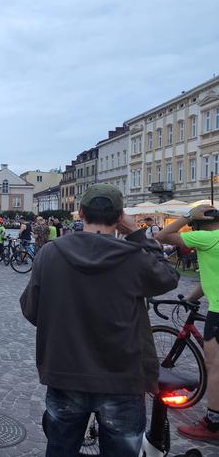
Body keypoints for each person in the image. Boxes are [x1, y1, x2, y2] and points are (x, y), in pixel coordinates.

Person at [20, 184, 179, 456]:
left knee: (59, 450)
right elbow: (168, 276)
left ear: (80, 213)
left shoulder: (50, 253)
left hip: (65, 372)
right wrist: (139, 235)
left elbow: (31, 309)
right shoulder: (134, 257)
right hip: (121, 379)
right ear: (120, 217)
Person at [156, 205, 219, 440]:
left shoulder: (206, 237)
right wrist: (190, 300)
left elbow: (161, 236)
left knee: (214, 367)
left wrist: (187, 215)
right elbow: (212, 275)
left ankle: (213, 423)